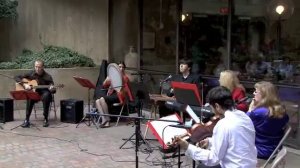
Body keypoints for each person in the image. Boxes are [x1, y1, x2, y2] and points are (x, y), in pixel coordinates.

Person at [174, 86, 257, 168]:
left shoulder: (223, 124)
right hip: (250, 164)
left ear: (217, 106)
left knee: (203, 166)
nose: (212, 111)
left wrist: (187, 146)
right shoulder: (244, 116)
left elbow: (213, 159)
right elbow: (234, 141)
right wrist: (210, 141)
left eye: (211, 107)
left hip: (235, 165)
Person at [247, 81, 289, 165]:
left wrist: (250, 109)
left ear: (264, 95)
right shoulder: (281, 110)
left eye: (256, 91)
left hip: (260, 150)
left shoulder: (259, 112)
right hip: (274, 149)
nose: (253, 93)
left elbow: (243, 123)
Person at [14, 60, 56, 128]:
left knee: (47, 95)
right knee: (30, 95)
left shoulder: (48, 76)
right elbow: (16, 77)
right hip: (34, 93)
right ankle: (26, 120)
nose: (37, 69)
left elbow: (53, 90)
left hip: (44, 93)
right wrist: (24, 85)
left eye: (39, 67)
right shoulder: (31, 73)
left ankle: (45, 118)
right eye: (36, 67)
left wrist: (52, 89)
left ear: (43, 67)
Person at [95, 61, 130, 128]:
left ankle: (107, 120)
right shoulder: (113, 76)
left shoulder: (125, 77)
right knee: (97, 101)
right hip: (111, 95)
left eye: (123, 67)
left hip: (119, 96)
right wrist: (106, 80)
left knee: (102, 99)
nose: (121, 68)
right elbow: (104, 86)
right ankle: (104, 119)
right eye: (119, 67)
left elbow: (124, 90)